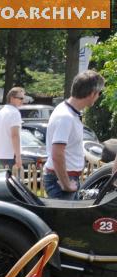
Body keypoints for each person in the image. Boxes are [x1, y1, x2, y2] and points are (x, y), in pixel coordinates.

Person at [43, 69, 105, 199]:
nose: (99, 96)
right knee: (67, 220)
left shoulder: (68, 112)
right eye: (99, 93)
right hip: (61, 181)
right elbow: (57, 154)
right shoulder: (66, 117)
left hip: (63, 177)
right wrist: (66, 184)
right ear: (93, 93)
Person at [0, 86, 24, 173]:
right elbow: (15, 135)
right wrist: (18, 156)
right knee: (13, 185)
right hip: (10, 155)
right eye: (20, 98)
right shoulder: (15, 113)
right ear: (12, 98)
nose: (22, 100)